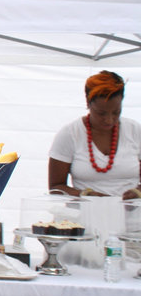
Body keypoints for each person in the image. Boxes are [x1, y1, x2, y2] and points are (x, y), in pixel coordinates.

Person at [49, 71, 141, 200]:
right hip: (84, 216)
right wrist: (85, 195)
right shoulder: (70, 134)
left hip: (131, 217)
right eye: (101, 113)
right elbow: (56, 187)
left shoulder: (135, 130)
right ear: (88, 102)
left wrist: (137, 193)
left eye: (116, 112)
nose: (109, 120)